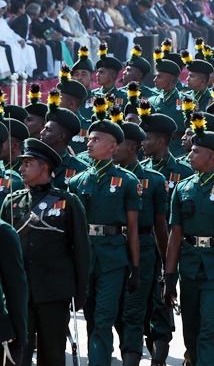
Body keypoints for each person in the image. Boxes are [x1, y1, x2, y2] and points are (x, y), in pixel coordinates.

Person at [162, 112, 214, 366]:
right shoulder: (182, 188)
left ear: (211, 156)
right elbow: (175, 236)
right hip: (189, 268)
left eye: (195, 151)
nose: (189, 154)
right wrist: (169, 277)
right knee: (191, 331)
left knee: (210, 329)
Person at [0, 138, 87, 366]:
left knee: (52, 354)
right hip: (19, 294)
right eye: (22, 163)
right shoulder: (11, 202)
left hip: (54, 292)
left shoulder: (68, 202)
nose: (21, 168)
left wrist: (80, 291)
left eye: (28, 163)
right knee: (19, 354)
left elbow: (81, 250)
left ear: (44, 168)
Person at [68, 97, 141, 366]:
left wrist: (135, 268)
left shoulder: (127, 181)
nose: (89, 143)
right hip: (84, 255)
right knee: (90, 317)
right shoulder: (76, 181)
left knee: (104, 318)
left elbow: (132, 229)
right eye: (89, 139)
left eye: (96, 140)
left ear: (112, 147)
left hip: (113, 257)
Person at [110, 112, 169, 366]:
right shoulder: (106, 176)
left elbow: (160, 225)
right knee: (117, 311)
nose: (112, 148)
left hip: (145, 250)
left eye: (118, 144)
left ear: (132, 148)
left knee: (135, 310)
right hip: (112, 247)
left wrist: (167, 262)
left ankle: (140, 356)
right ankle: (130, 349)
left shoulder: (154, 180)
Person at [138, 105, 192, 363]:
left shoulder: (185, 172)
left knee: (162, 298)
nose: (142, 143)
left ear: (160, 141)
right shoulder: (137, 171)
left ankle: (160, 352)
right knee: (142, 302)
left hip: (173, 246)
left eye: (146, 138)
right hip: (143, 244)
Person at [39, 88, 90, 190]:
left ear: (61, 136)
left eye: (48, 130)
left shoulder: (81, 169)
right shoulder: (35, 163)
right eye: (44, 128)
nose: (42, 132)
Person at [0, 201, 27, 366]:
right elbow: (16, 290)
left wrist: (18, 338)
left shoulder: (3, 232)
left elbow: (15, 290)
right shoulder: (3, 231)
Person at [149, 48, 187, 157]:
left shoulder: (186, 102)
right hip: (157, 150)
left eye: (159, 77)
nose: (154, 80)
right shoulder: (152, 101)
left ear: (170, 80)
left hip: (179, 150)